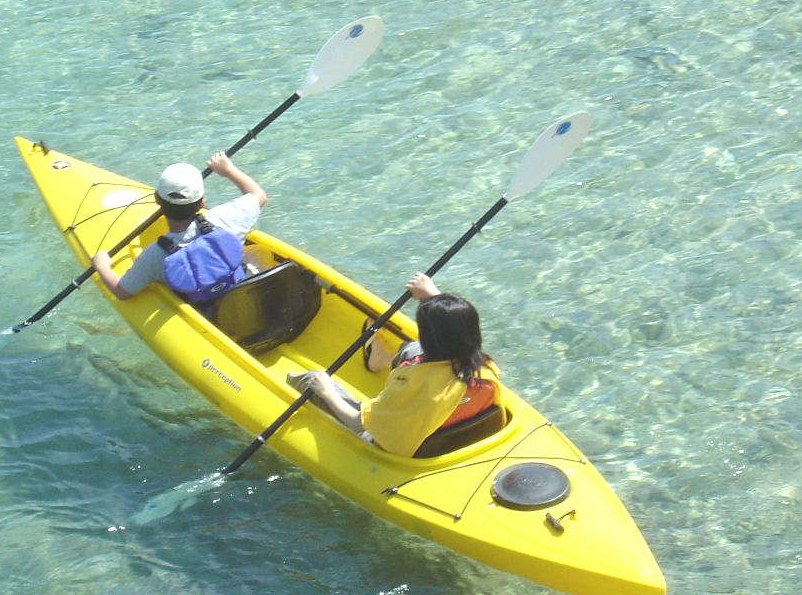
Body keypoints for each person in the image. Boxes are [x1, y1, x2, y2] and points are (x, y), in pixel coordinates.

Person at [304, 273, 503, 457]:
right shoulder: (485, 367)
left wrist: (326, 391)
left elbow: (358, 423)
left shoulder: (413, 388)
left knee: (309, 381)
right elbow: (454, 330)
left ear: (430, 339)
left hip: (397, 446)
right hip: (451, 435)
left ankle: (311, 388)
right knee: (413, 350)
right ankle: (380, 359)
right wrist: (432, 296)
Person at [92, 151, 267, 301]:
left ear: (156, 199)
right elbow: (258, 195)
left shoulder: (155, 255)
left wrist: (101, 265)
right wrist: (228, 170)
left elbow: (122, 292)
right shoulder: (226, 218)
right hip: (246, 292)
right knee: (256, 252)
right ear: (201, 203)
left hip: (213, 312)